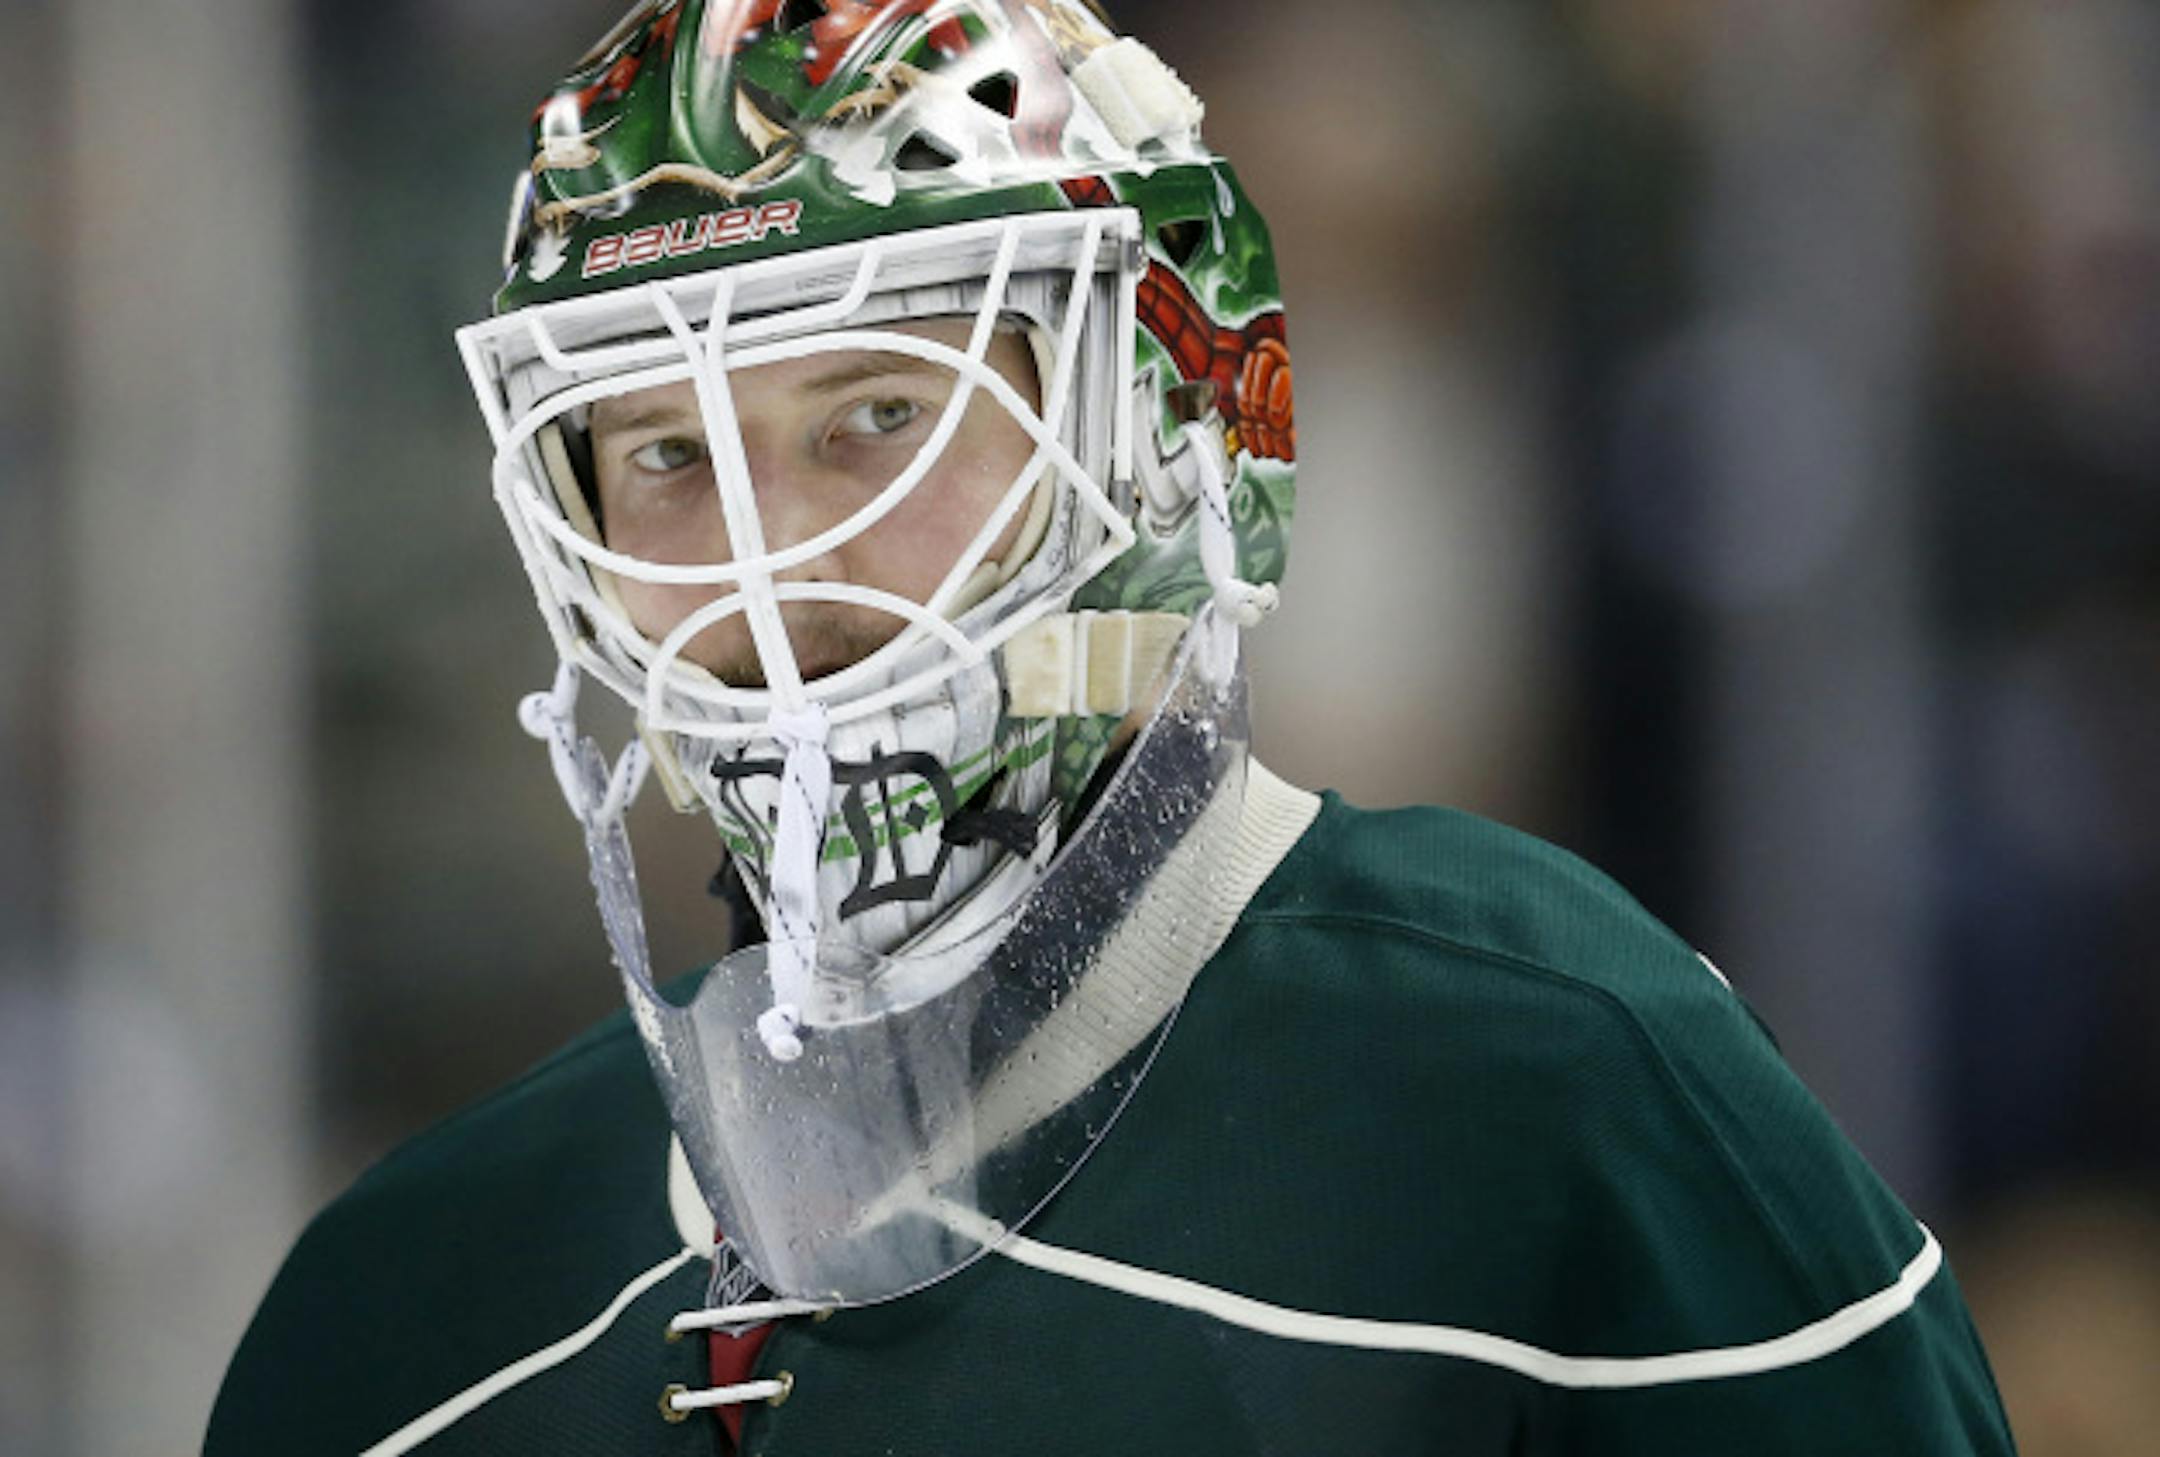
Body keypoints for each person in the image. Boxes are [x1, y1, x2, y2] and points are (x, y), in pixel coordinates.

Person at [207, 1, 2018, 1453]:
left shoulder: (1566, 1094)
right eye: (670, 452)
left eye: (876, 415)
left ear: (1160, 421)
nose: (772, 565)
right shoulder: (403, 1311)